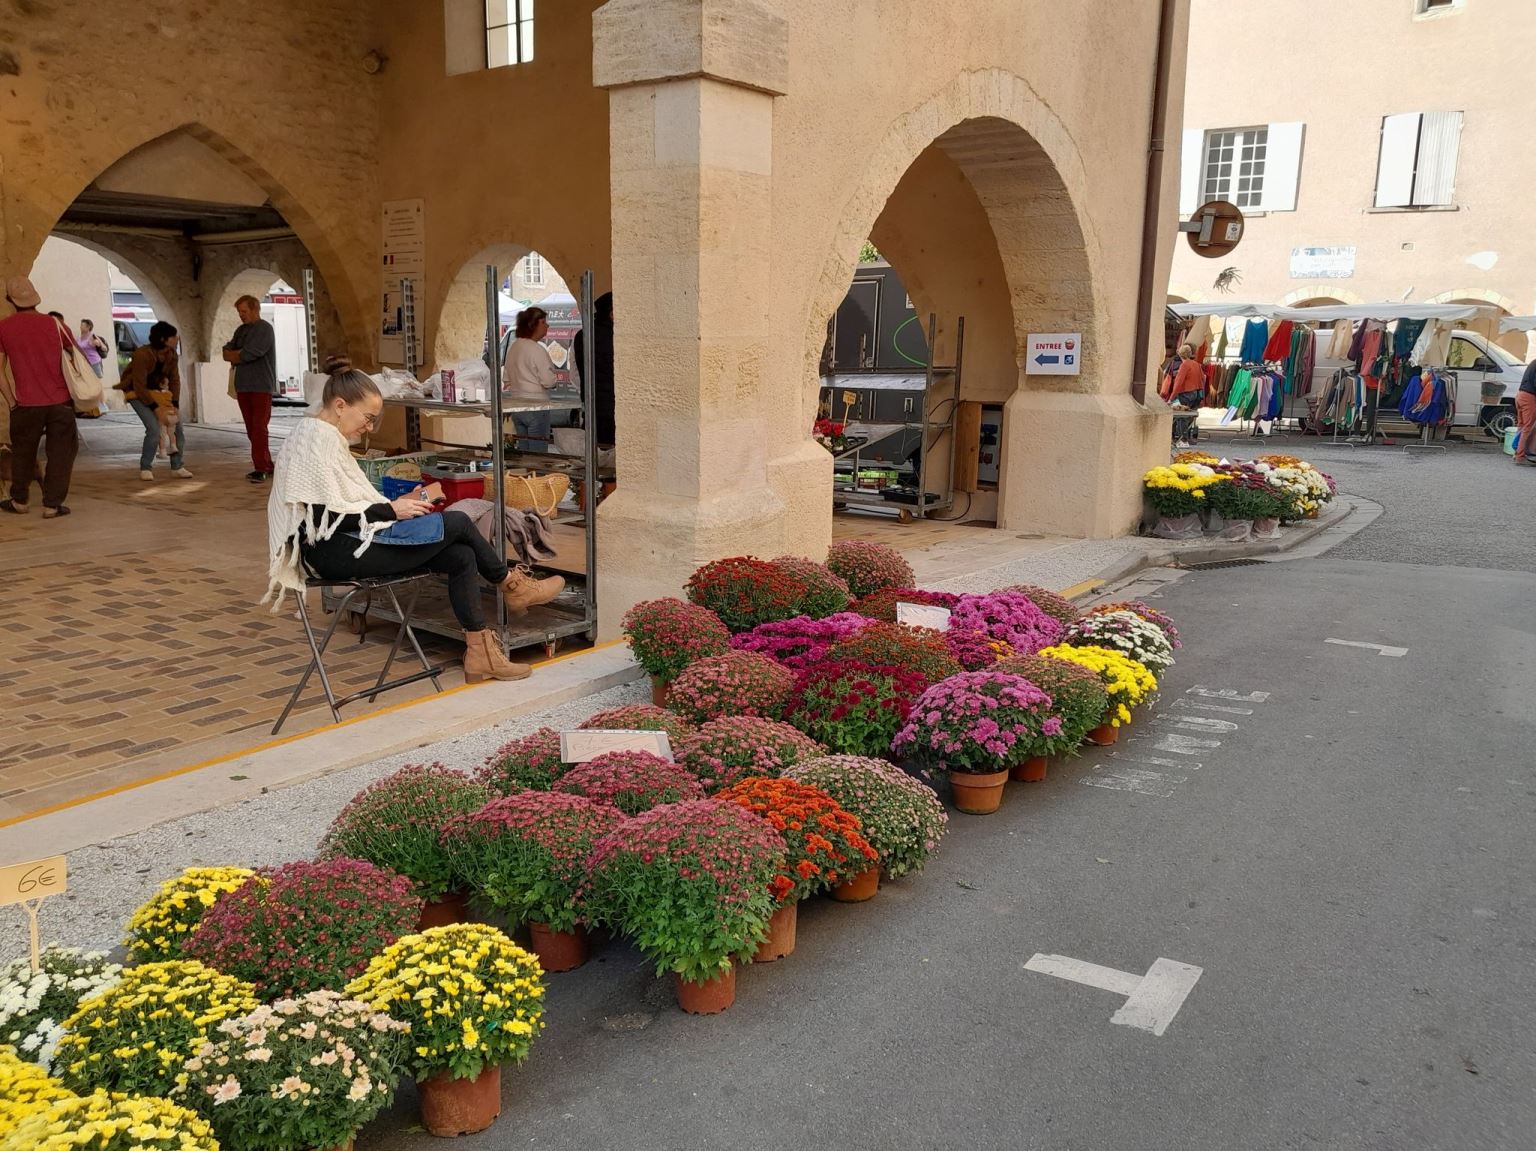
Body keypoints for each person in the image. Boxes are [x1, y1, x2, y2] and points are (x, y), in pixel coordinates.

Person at [265, 363, 566, 683]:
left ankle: (481, 654)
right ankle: (511, 585)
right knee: (458, 522)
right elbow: (320, 520)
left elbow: (344, 506)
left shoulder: (319, 435)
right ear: (340, 405)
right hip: (331, 552)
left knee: (461, 555)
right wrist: (390, 512)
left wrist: (394, 507)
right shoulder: (316, 440)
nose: (369, 427)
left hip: (344, 543)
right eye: (368, 417)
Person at [0, 276, 79, 517]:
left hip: (25, 404)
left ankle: (20, 501)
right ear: (35, 298)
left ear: (10, 300)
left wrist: (11, 401)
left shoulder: (4, 328)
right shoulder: (56, 325)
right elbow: (76, 358)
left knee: (23, 453)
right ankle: (52, 505)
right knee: (61, 453)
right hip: (61, 402)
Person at [118, 320, 192, 481]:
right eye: (173, 336)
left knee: (177, 427)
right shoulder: (142, 354)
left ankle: (177, 466)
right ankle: (146, 467)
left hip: (160, 394)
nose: (177, 338)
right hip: (137, 394)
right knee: (153, 429)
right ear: (163, 339)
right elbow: (139, 385)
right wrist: (155, 408)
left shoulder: (171, 355)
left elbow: (175, 380)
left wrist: (175, 404)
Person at [223, 294, 277, 483]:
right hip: (243, 385)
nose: (241, 315)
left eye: (244, 311)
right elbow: (226, 352)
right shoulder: (241, 330)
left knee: (259, 427)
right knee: (251, 428)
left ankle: (260, 467)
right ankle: (267, 464)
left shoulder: (264, 329)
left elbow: (252, 353)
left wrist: (237, 354)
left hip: (261, 385)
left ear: (255, 309)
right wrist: (237, 354)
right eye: (239, 312)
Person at [502, 307, 557, 453]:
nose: (547, 326)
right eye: (543, 322)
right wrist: (554, 380)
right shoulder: (537, 350)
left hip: (517, 405)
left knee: (524, 451)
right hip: (536, 406)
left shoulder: (513, 347)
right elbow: (548, 381)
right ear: (533, 325)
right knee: (537, 453)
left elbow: (506, 378)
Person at [572, 292, 615, 448]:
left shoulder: (582, 335)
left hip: (591, 404)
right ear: (612, 312)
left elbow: (576, 371)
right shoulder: (614, 336)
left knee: (594, 450)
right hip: (612, 405)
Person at [1161, 342, 1204, 448]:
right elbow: (1202, 379)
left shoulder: (1184, 365)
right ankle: (1185, 438)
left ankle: (1183, 440)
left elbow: (1178, 383)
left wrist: (1171, 398)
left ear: (1180, 354)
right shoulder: (1197, 364)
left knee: (1181, 416)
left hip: (1185, 393)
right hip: (1196, 393)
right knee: (1188, 417)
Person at [1515, 357, 1536, 466]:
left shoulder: (1533, 362)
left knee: (1521, 425)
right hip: (1529, 397)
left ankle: (1516, 452)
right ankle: (1520, 456)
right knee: (1528, 427)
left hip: (1520, 395)